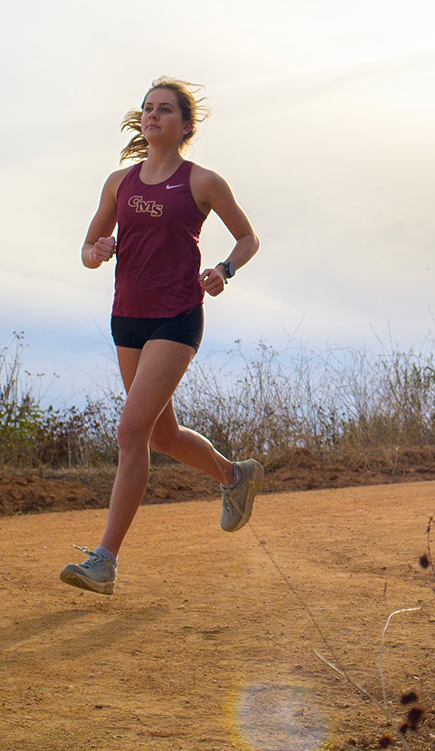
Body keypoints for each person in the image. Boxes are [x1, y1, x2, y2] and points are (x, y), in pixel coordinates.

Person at [61, 77, 262, 596]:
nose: (153, 116)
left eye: (165, 110)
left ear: (185, 125)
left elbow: (248, 237)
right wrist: (99, 251)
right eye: (148, 109)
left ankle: (104, 560)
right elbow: (85, 247)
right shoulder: (118, 183)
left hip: (176, 315)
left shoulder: (202, 182)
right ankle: (234, 478)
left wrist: (224, 270)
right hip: (127, 316)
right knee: (160, 436)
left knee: (131, 433)